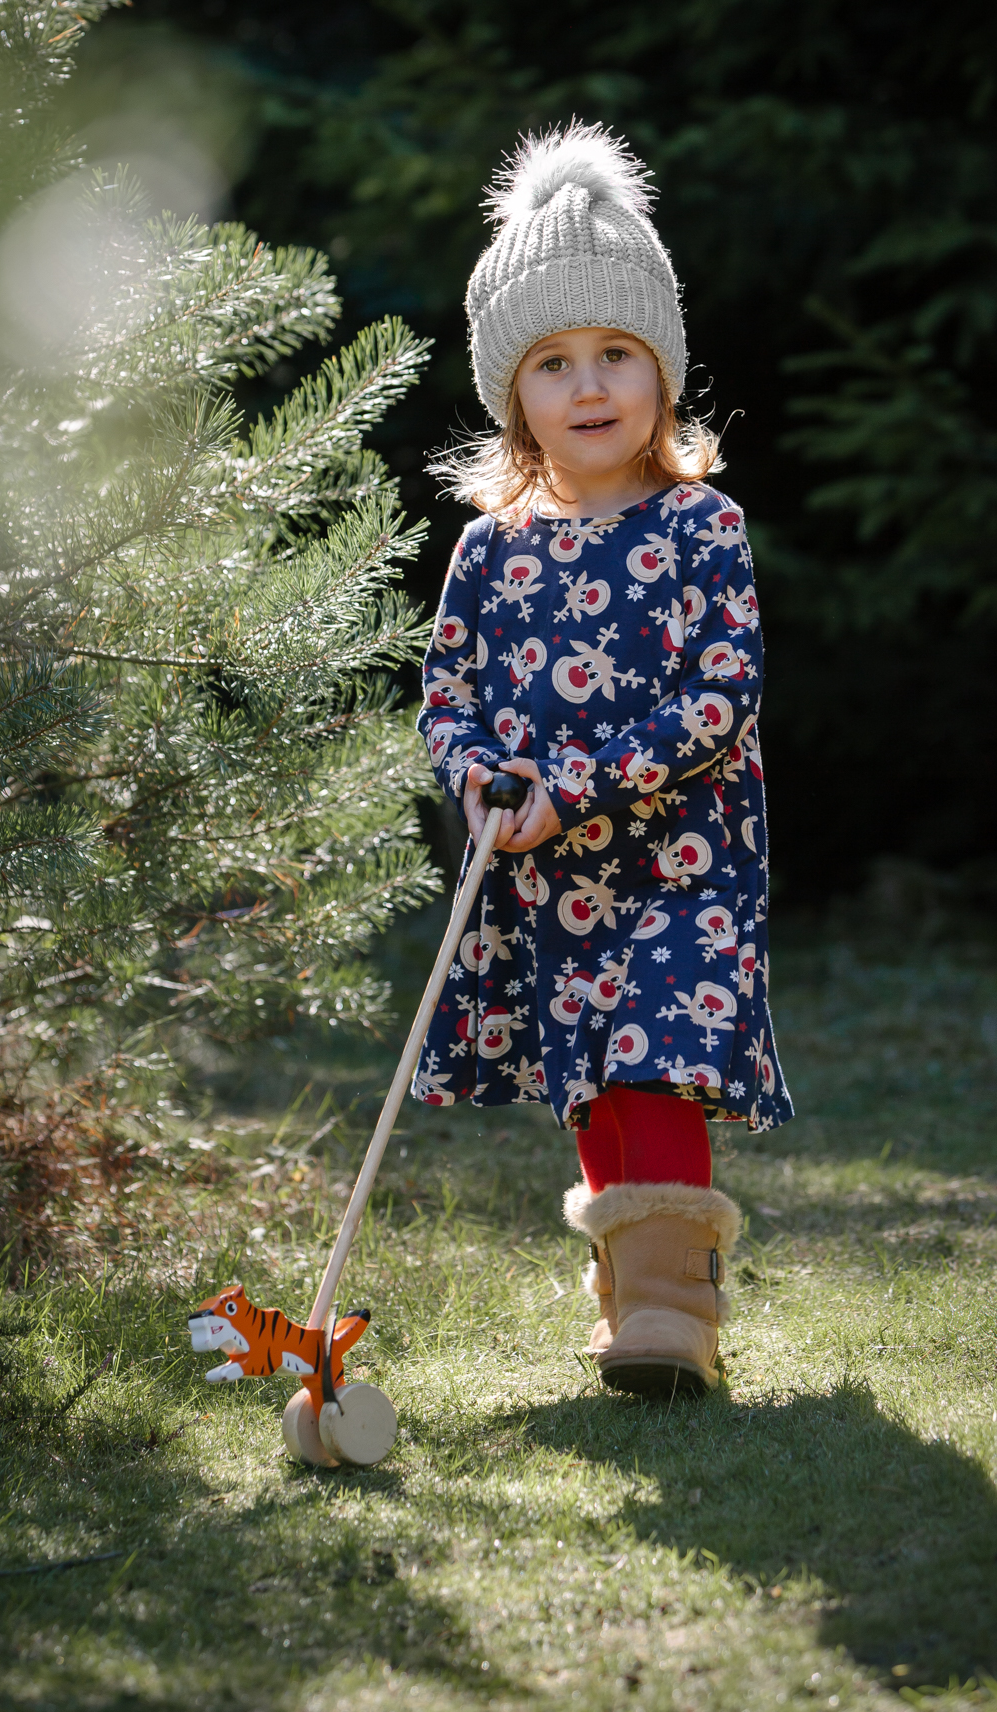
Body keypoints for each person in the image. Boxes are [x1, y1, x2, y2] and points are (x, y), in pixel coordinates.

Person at [413, 121, 794, 1396]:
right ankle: (631, 1299)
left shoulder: (699, 526)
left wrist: (567, 786)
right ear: (510, 395)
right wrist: (480, 780)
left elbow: (718, 698)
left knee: (653, 1046)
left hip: (680, 856)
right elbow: (446, 698)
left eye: (617, 355)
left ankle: (671, 1315)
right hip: (542, 877)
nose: (589, 386)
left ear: (664, 373)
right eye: (553, 363)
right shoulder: (492, 549)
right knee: (588, 1071)